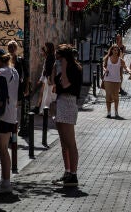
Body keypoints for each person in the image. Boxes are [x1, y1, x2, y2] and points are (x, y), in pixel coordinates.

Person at [51, 44, 83, 187]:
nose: (57, 59)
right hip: (61, 103)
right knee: (64, 143)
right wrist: (55, 68)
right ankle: (67, 172)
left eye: (59, 57)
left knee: (70, 142)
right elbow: (54, 85)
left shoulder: (74, 68)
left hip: (69, 103)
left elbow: (65, 85)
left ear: (65, 57)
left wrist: (63, 67)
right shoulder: (60, 68)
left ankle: (74, 175)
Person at [0, 48, 20, 194]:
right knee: (3, 149)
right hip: (11, 115)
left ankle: (5, 182)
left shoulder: (0, 73)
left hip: (1, 115)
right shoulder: (14, 71)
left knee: (1, 149)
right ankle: (5, 181)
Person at [102, 44, 130, 119]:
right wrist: (105, 70)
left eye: (117, 50)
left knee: (116, 96)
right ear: (111, 50)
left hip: (117, 80)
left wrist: (129, 71)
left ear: (118, 51)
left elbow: (125, 67)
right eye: (114, 50)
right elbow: (104, 66)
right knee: (108, 95)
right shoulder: (108, 58)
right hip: (107, 79)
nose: (115, 51)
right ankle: (108, 113)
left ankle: (116, 112)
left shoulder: (120, 60)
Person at [7, 41, 28, 136]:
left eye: (12, 47)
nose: (11, 49)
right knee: (10, 107)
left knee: (16, 107)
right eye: (9, 47)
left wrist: (26, 87)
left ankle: (15, 128)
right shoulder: (5, 60)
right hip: (8, 87)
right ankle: (11, 129)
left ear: (16, 49)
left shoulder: (20, 60)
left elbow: (26, 75)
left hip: (18, 87)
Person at [33, 42, 56, 114]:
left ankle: (44, 110)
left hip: (48, 78)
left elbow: (49, 69)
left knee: (47, 94)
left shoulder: (51, 57)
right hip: (47, 78)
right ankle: (40, 109)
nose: (44, 49)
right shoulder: (50, 56)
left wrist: (49, 78)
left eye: (45, 47)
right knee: (44, 93)